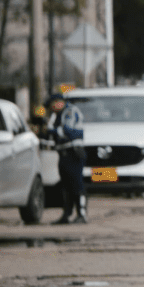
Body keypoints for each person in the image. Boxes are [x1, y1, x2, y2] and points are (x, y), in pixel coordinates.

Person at [47, 94, 87, 225]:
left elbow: (67, 131)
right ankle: (67, 215)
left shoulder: (69, 111)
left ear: (59, 102)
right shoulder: (58, 114)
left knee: (76, 185)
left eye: (52, 104)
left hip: (73, 152)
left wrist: (52, 131)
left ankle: (82, 214)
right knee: (66, 186)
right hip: (63, 153)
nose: (51, 108)